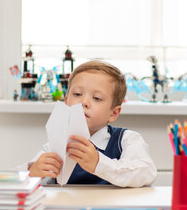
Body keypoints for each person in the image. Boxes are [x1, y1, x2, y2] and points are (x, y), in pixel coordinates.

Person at [21, 60, 157, 187]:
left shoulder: (127, 139)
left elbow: (147, 172)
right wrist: (33, 173)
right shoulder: (55, 145)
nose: (84, 102)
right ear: (66, 101)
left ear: (113, 113)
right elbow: (16, 181)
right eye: (77, 94)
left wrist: (98, 163)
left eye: (96, 98)